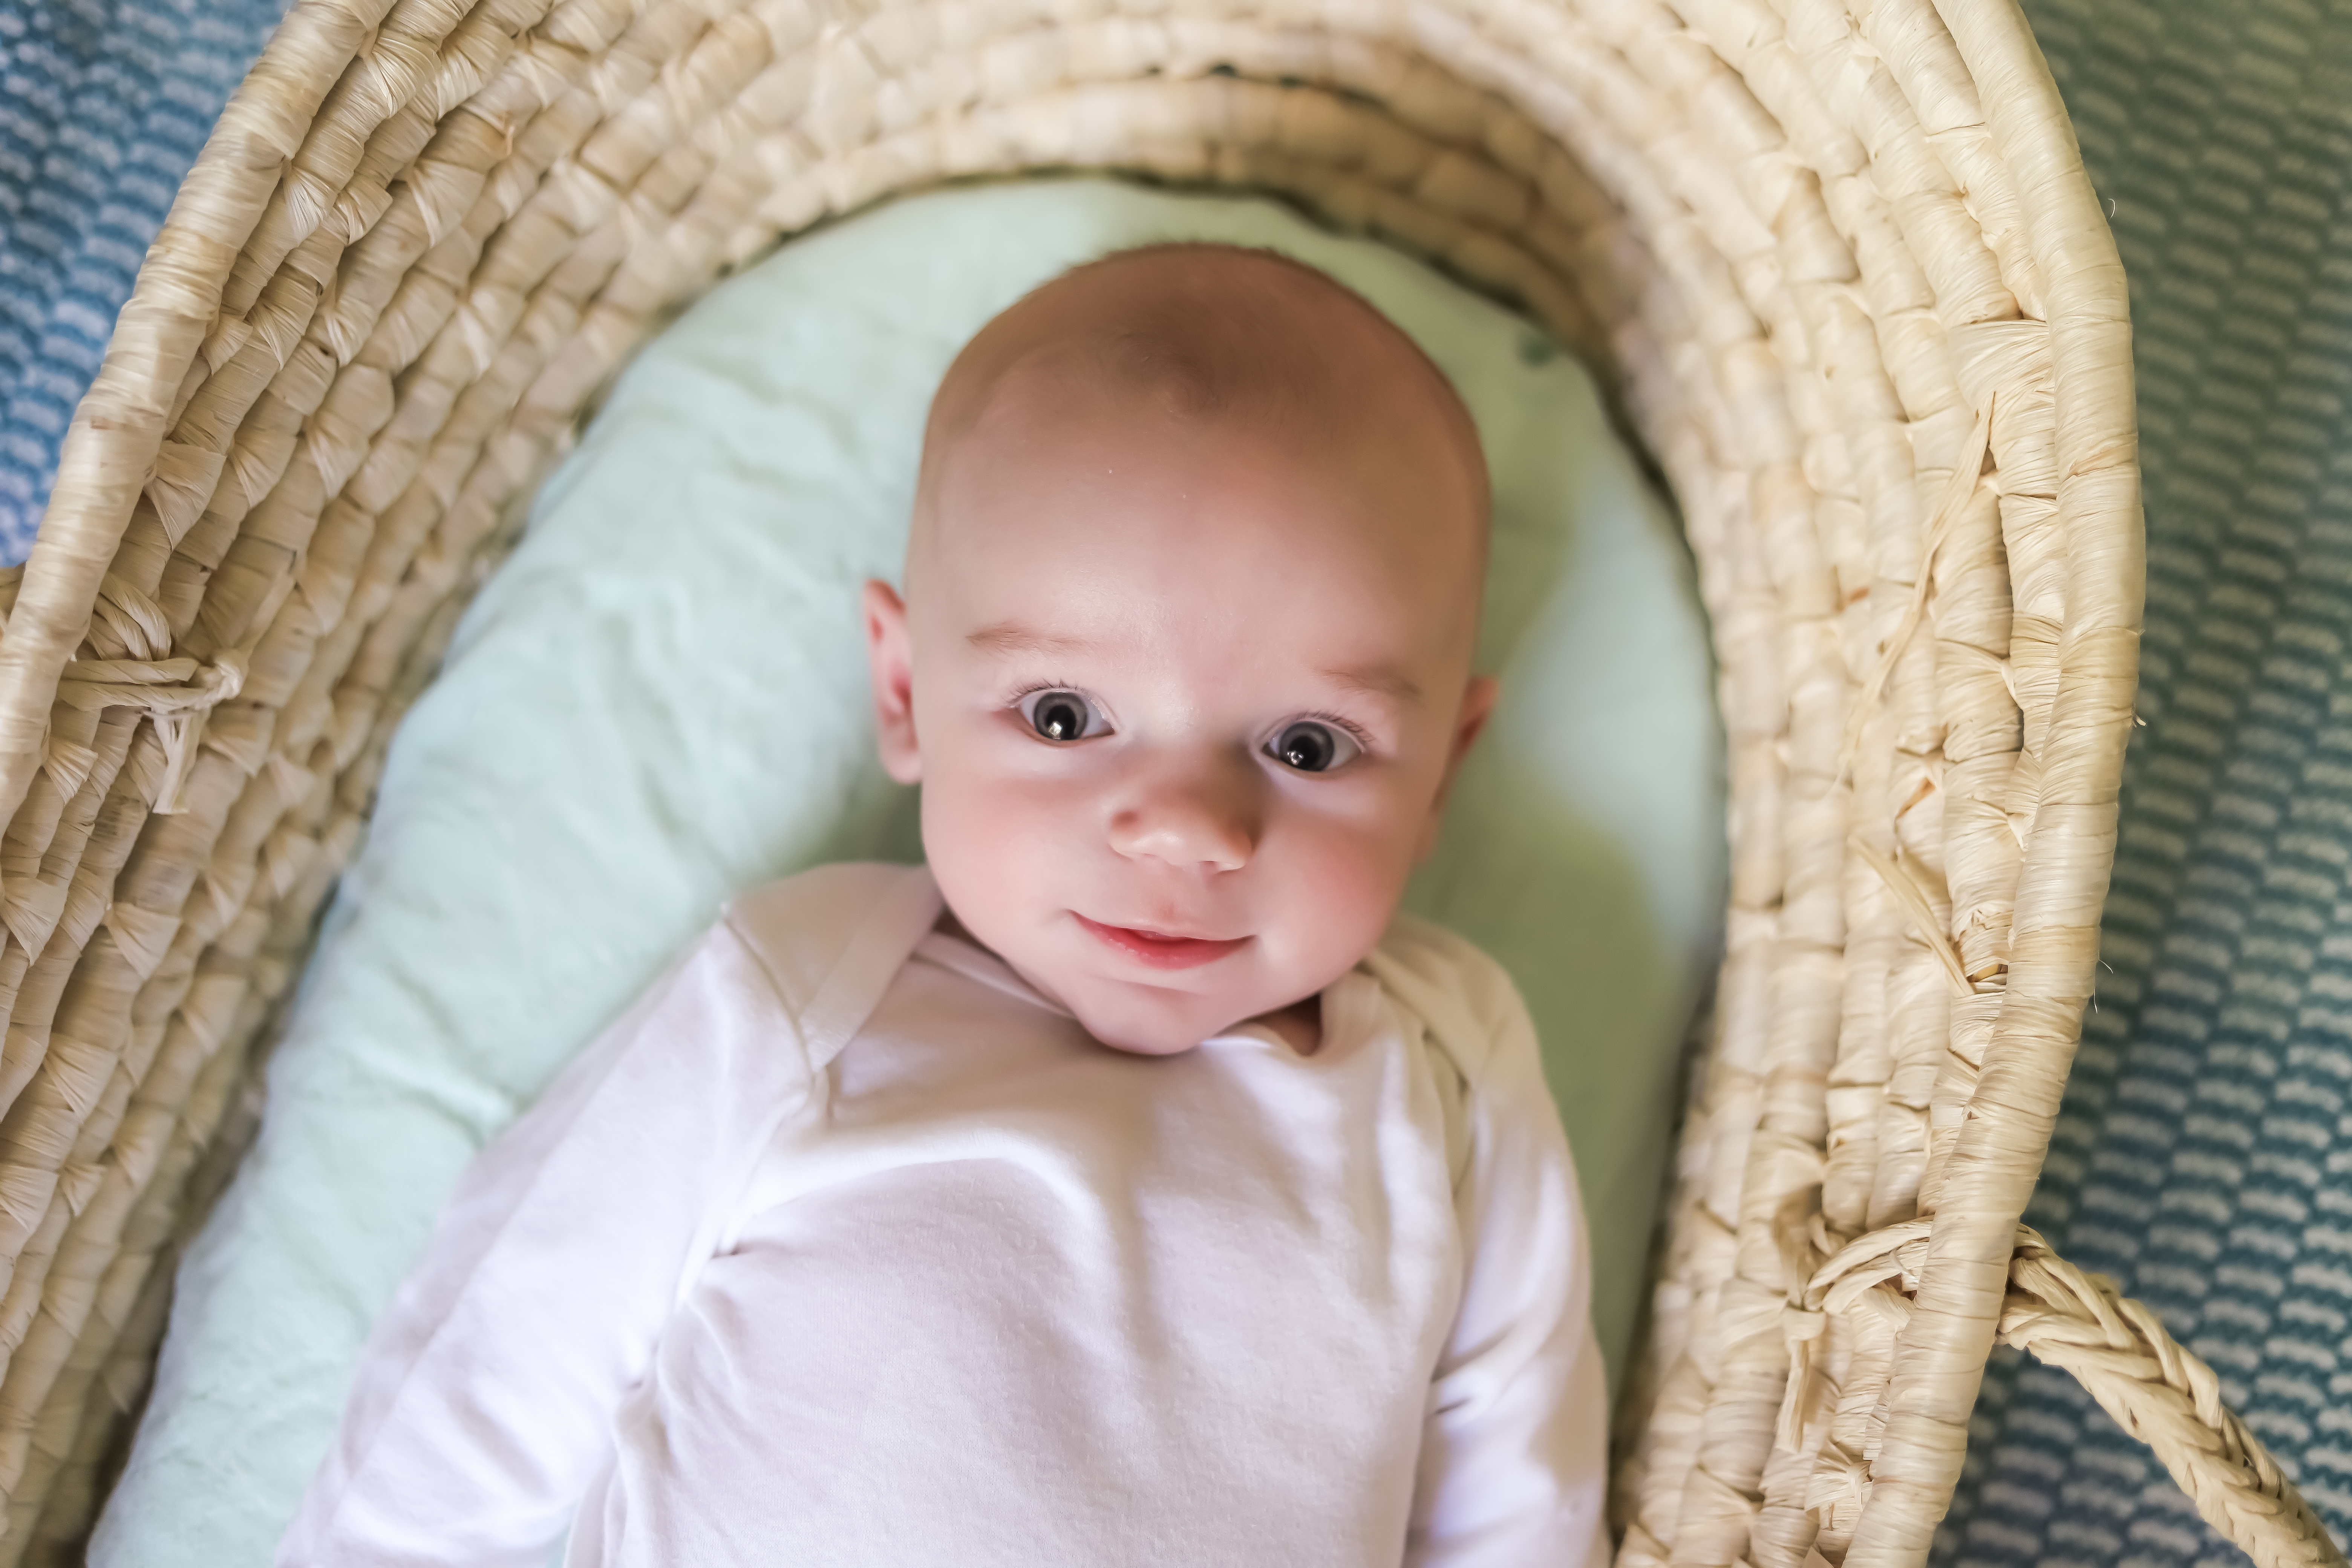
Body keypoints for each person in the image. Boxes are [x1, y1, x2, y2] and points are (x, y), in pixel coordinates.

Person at [279, 243, 1610, 1567]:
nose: (1190, 828)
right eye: (1065, 716)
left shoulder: (1446, 1071)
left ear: (1443, 772)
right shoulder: (805, 994)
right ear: (906, 693)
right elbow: (505, 1353)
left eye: (1309, 747)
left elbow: (1517, 1491)